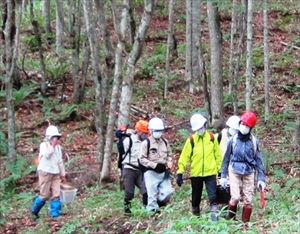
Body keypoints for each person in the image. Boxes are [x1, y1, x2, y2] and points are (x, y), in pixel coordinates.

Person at [220, 112, 266, 231]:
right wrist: (223, 176)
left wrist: (261, 179)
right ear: (240, 123)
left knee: (248, 201)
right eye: (243, 124)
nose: (244, 127)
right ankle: (230, 221)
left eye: (247, 125)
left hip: (249, 171)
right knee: (235, 197)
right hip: (234, 170)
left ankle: (245, 226)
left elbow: (259, 160)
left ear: (251, 128)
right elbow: (225, 159)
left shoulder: (254, 142)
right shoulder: (233, 140)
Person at [176, 113, 222, 221]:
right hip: (196, 174)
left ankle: (215, 220)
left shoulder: (211, 138)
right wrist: (180, 172)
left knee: (213, 197)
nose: (200, 130)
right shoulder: (191, 140)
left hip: (210, 173)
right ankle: (196, 219)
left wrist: (220, 170)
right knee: (196, 198)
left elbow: (218, 155)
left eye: (201, 127)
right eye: (198, 128)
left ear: (205, 125)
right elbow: (184, 157)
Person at [139, 117, 173, 213]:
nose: (159, 133)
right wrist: (154, 165)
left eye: (160, 131)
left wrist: (169, 161)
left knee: (168, 192)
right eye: (157, 131)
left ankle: (160, 205)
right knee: (152, 195)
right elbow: (142, 159)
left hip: (163, 171)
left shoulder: (165, 142)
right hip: (151, 172)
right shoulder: (146, 143)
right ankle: (152, 213)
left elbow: (170, 154)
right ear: (151, 131)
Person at [31, 125, 66, 219]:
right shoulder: (43, 145)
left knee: (56, 194)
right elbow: (47, 155)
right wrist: (52, 146)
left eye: (57, 137)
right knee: (44, 195)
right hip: (45, 172)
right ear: (49, 137)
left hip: (55, 173)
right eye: (54, 137)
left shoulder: (58, 148)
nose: (56, 139)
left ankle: (55, 214)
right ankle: (34, 210)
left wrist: (63, 174)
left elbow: (60, 161)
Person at [121, 120, 149, 214]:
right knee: (129, 193)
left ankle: (147, 210)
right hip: (129, 169)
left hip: (140, 169)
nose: (146, 135)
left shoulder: (145, 142)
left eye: (146, 133)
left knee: (145, 190)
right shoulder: (128, 141)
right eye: (144, 133)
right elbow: (121, 154)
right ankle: (127, 212)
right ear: (139, 131)